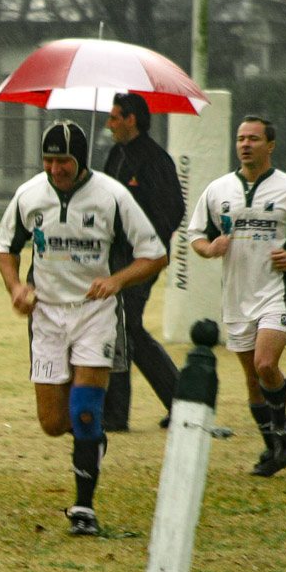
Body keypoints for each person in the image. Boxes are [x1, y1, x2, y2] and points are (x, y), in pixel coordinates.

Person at [0, 121, 167, 536]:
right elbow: (6, 248)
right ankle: (90, 442)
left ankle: (83, 508)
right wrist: (18, 287)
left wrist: (117, 281)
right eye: (49, 160)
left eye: (65, 161)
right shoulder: (29, 195)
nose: (55, 169)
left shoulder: (112, 196)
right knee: (54, 423)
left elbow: (155, 255)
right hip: (48, 317)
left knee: (87, 409)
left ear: (81, 160)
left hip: (97, 313)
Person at [187, 116, 286, 477]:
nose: (245, 144)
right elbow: (195, 236)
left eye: (253, 138)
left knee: (265, 364)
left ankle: (284, 433)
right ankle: (272, 450)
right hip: (237, 295)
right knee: (253, 379)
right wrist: (210, 248)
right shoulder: (218, 189)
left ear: (270, 145)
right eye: (240, 138)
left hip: (277, 293)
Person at [103, 92, 186, 430]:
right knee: (126, 328)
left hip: (141, 259)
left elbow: (173, 211)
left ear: (131, 120)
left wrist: (148, 246)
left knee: (124, 327)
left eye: (114, 118)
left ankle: (117, 415)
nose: (109, 125)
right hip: (113, 256)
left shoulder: (155, 159)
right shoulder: (114, 155)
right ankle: (182, 401)